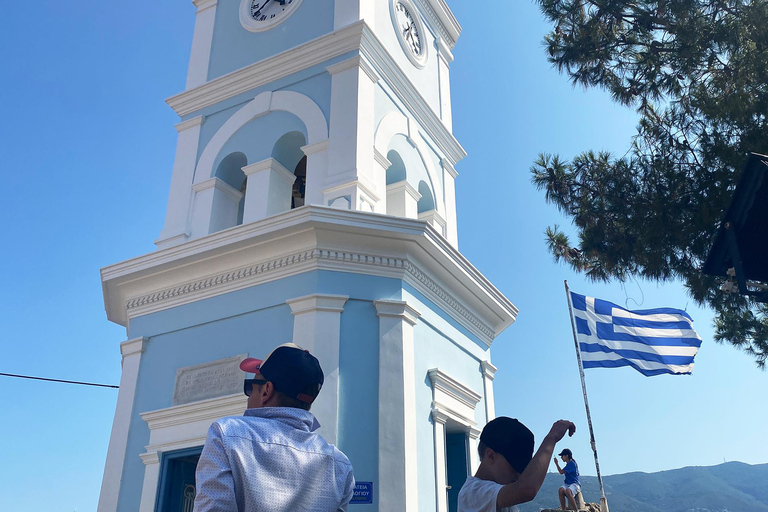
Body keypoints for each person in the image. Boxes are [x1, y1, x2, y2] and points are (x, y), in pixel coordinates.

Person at [193, 343, 355, 512]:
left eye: (251, 388)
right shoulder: (339, 464)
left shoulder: (226, 433)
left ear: (266, 391)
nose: (249, 397)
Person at [458, 417, 576, 512]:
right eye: (515, 466)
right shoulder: (472, 493)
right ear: (491, 456)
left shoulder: (499, 493)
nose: (519, 475)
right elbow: (526, 489)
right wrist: (551, 438)